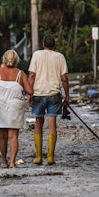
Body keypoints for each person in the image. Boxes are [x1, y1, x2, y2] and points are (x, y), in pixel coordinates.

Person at [0, 50, 33, 168]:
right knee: (13, 136)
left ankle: (4, 161)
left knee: (2, 137)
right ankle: (13, 162)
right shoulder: (20, 74)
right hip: (15, 106)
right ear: (17, 60)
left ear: (4, 59)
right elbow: (29, 91)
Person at [28, 34, 69, 165]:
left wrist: (29, 93)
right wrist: (67, 95)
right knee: (52, 125)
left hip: (38, 94)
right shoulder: (60, 57)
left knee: (38, 123)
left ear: (43, 44)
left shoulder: (36, 55)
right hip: (54, 94)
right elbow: (64, 78)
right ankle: (50, 157)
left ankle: (38, 157)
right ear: (54, 45)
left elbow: (32, 75)